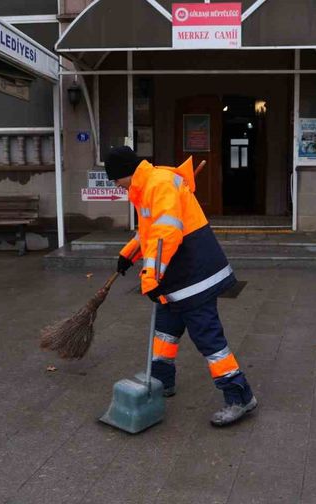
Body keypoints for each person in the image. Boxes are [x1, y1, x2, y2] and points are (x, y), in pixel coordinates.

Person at [105, 146, 256, 427]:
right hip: (177, 275)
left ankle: (239, 396)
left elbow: (166, 234)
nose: (115, 185)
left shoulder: (157, 184)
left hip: (193, 276)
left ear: (127, 172)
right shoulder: (147, 185)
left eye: (115, 179)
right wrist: (129, 254)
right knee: (166, 329)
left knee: (209, 339)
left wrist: (150, 276)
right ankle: (162, 380)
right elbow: (149, 232)